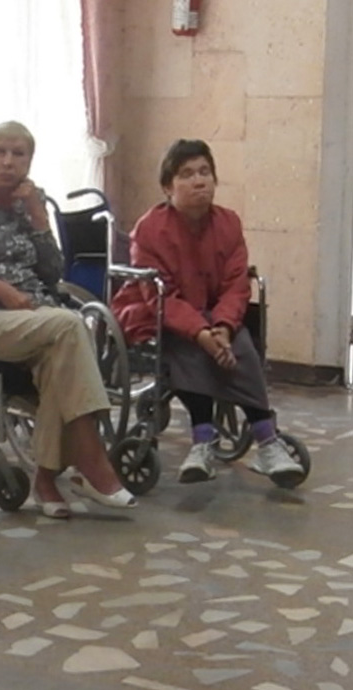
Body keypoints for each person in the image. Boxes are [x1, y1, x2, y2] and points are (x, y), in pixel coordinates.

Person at [0, 121, 133, 518]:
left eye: (18, 154)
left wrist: (38, 216)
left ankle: (46, 481)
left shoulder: (27, 204)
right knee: (70, 325)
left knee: (62, 349)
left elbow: (53, 273)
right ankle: (92, 461)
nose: (8, 162)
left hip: (37, 315)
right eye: (0, 152)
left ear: (30, 161)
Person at [111, 139, 304, 485]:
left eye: (205, 172)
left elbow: (236, 285)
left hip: (215, 314)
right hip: (156, 313)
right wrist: (202, 333)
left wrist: (223, 329)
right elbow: (161, 299)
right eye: (187, 175)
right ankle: (204, 440)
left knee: (241, 344)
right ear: (168, 187)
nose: (199, 181)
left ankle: (267, 442)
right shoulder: (150, 230)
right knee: (189, 347)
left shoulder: (228, 223)